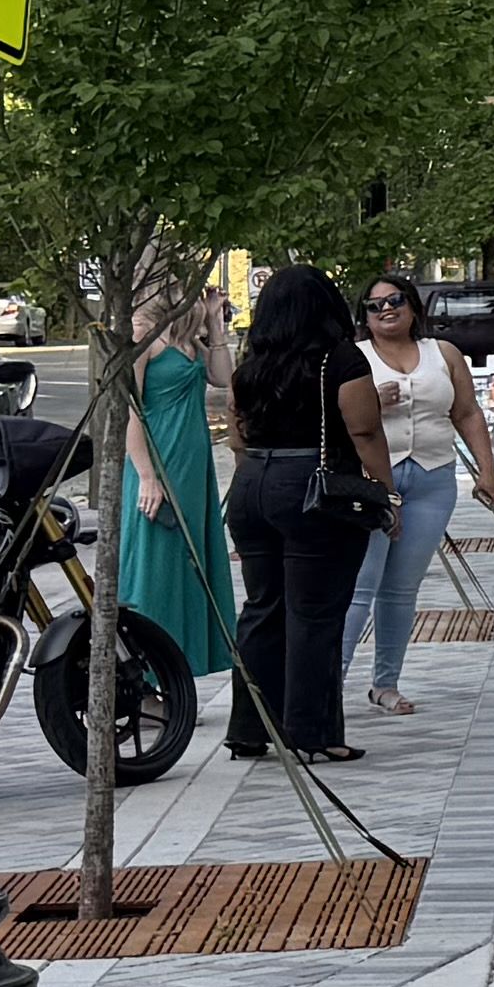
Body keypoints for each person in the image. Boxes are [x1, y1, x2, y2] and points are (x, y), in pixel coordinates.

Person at [219, 262, 393, 765]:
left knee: (261, 607)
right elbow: (363, 432)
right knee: (315, 613)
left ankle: (250, 727)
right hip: (312, 489)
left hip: (252, 485)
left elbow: (237, 436)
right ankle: (313, 732)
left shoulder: (249, 365)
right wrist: (385, 493)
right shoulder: (340, 361)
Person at [347, 277, 494, 714]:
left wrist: (487, 471)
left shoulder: (444, 354)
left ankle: (386, 683)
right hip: (374, 481)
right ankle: (328, 684)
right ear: (363, 316)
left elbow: (468, 412)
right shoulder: (353, 359)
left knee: (401, 588)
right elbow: (336, 421)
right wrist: (372, 401)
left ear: (413, 306)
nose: (386, 310)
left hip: (432, 477)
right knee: (360, 586)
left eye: (395, 300)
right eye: (374, 305)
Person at [117, 268, 234, 721]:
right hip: (158, 461)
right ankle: (143, 683)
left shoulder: (187, 334)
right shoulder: (142, 333)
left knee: (189, 567)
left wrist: (216, 323)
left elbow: (223, 378)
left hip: (192, 468)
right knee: (154, 570)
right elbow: (130, 412)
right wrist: (146, 474)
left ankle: (177, 677)